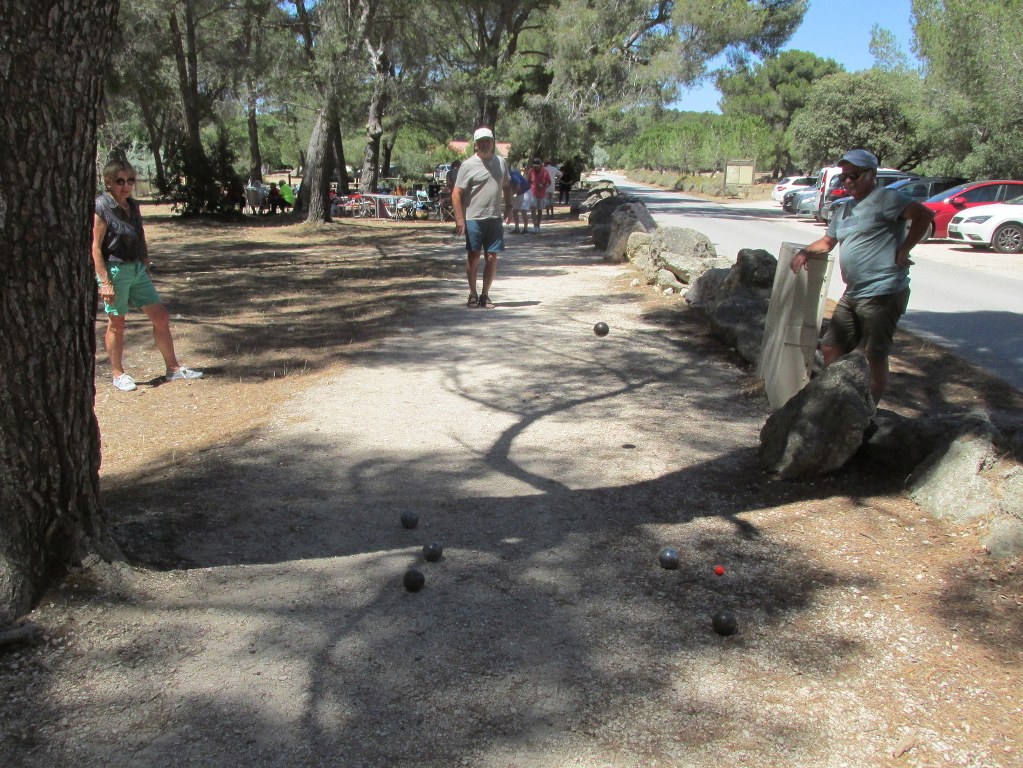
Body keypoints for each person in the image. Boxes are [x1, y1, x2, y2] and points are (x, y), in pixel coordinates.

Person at [789, 149, 934, 405]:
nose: (848, 182)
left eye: (854, 176)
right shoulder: (844, 209)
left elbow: (923, 215)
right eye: (843, 178)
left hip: (883, 291)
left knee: (875, 355)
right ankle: (843, 399)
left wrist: (904, 249)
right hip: (854, 292)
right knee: (831, 347)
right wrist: (805, 252)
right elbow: (827, 241)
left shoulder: (887, 199)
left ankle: (867, 411)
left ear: (871, 174)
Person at [92, 160, 203, 392]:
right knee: (117, 324)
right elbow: (95, 248)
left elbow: (139, 235)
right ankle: (118, 374)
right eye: (120, 181)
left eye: (130, 180)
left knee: (161, 316)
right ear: (109, 182)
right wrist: (104, 281)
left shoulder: (132, 205)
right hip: (115, 270)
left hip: (137, 270)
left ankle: (172, 369)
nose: (126, 186)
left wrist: (144, 259)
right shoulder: (102, 206)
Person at [452, 127, 513, 308]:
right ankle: (472, 293)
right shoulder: (468, 165)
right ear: (476, 144)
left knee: (492, 257)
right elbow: (456, 193)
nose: (486, 144)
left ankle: (485, 295)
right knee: (473, 255)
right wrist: (459, 219)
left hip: (494, 217)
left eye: (489, 140)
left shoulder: (501, 162)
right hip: (474, 217)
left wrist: (509, 206)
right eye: (482, 141)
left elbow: (507, 185)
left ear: (493, 143)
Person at [526, 157, 550, 232]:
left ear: (540, 165)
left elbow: (549, 182)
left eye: (537, 166)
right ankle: (535, 225)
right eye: (534, 166)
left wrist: (544, 186)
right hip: (533, 192)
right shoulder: (531, 171)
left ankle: (538, 225)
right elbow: (528, 181)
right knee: (533, 209)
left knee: (540, 209)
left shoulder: (545, 171)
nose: (535, 167)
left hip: (542, 193)